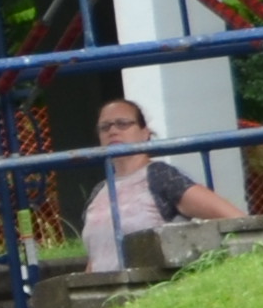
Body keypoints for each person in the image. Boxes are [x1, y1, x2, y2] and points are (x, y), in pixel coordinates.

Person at [77, 97, 221, 273]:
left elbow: (232, 217)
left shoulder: (161, 176)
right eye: (105, 127)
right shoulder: (99, 191)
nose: (113, 131)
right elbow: (97, 257)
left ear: (144, 132)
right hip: (107, 288)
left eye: (122, 123)